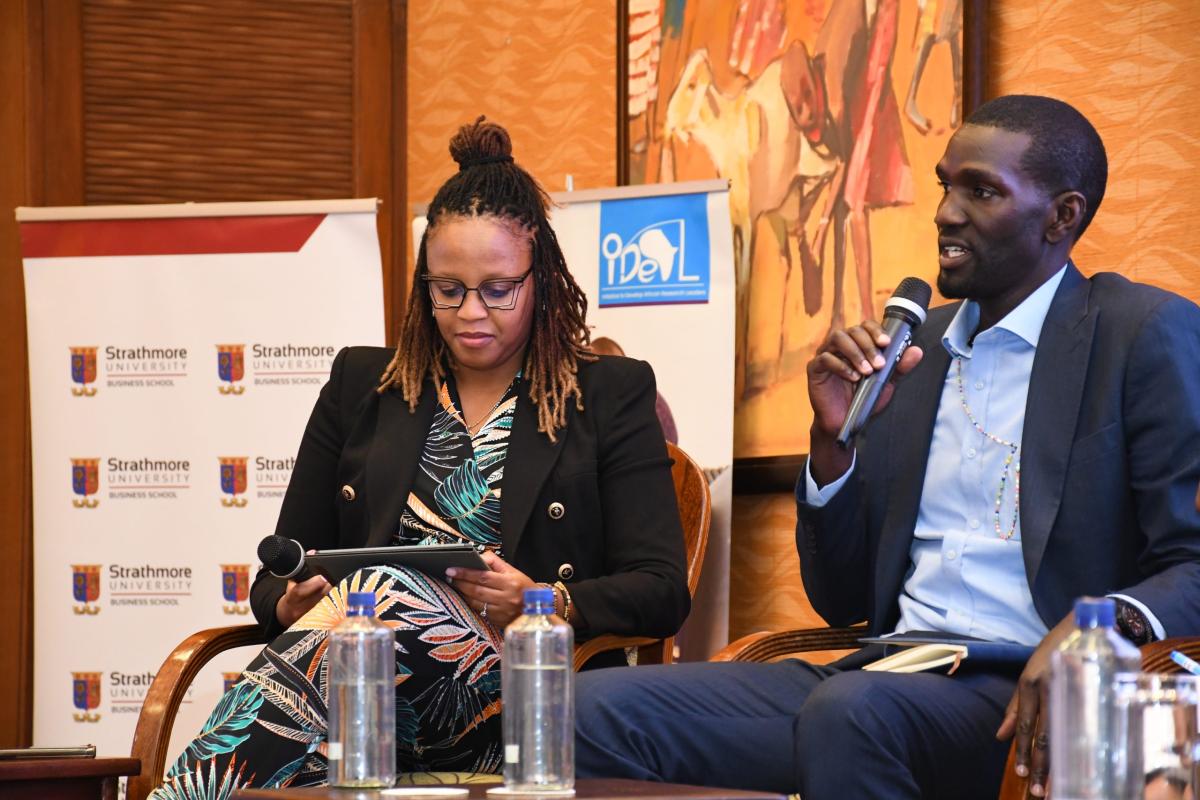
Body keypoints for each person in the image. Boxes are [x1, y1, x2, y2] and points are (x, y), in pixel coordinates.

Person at [574, 94, 1200, 799]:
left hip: (1030, 694)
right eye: (945, 185)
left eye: (982, 191)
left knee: (853, 715)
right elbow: (841, 597)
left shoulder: (1139, 334)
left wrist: (1098, 628)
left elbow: (1192, 563)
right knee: (585, 710)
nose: (946, 212)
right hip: (887, 672)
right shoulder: (913, 352)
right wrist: (831, 444)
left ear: (1062, 216)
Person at [151, 118, 689, 796]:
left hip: (519, 696)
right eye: (448, 289)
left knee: (384, 594)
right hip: (357, 691)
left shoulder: (606, 394)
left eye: (499, 289)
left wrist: (542, 600)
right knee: (356, 634)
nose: (471, 312)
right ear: (423, 283)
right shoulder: (363, 388)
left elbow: (662, 590)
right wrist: (288, 604)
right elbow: (281, 571)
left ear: (541, 279)